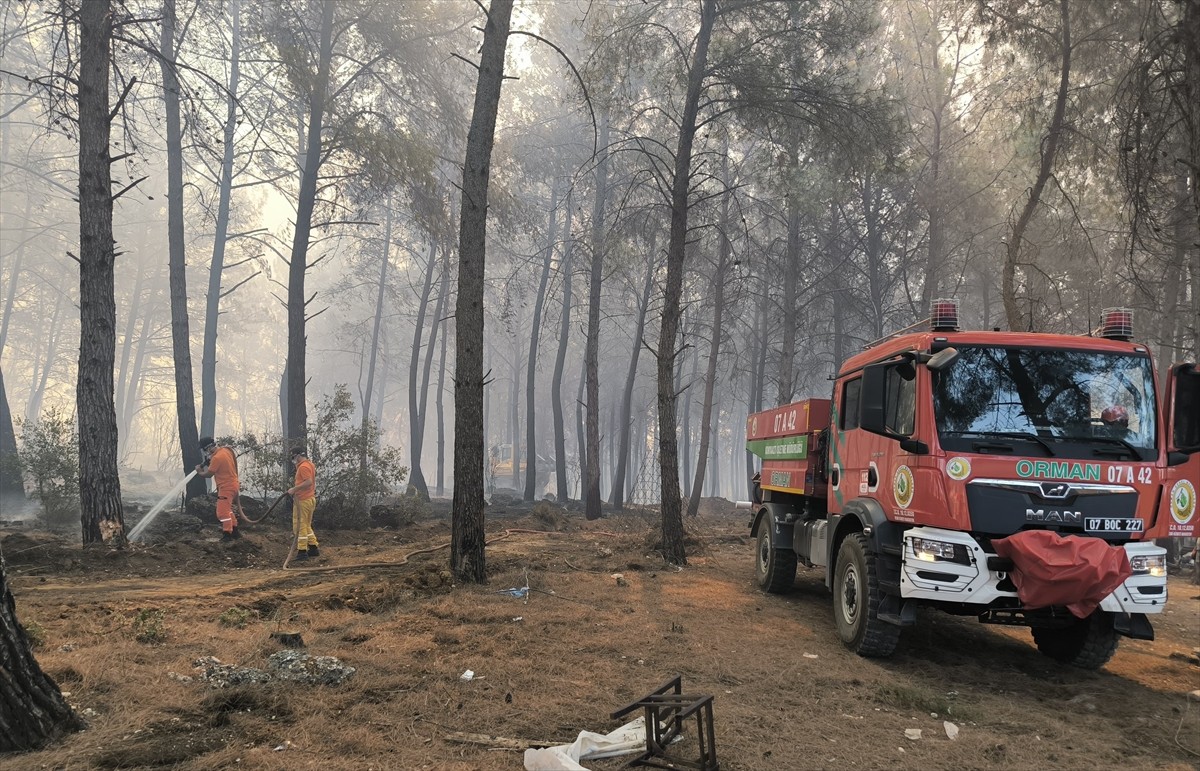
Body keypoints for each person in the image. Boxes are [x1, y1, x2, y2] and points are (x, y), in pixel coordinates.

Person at [195, 436, 242, 541]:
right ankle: (235, 531)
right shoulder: (225, 451)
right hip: (232, 484)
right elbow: (217, 461)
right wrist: (209, 460)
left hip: (226, 487)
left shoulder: (217, 458)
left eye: (204, 449)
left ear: (208, 447)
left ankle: (227, 534)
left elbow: (209, 474)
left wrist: (199, 472)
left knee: (222, 512)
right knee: (227, 510)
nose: (204, 452)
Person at [288, 444, 320, 560]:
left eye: (293, 456)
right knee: (306, 525)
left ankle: (302, 551)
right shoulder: (309, 464)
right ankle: (313, 547)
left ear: (298, 456)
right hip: (308, 499)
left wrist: (294, 489)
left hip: (303, 500)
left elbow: (308, 482)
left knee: (300, 526)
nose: (293, 459)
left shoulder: (303, 467)